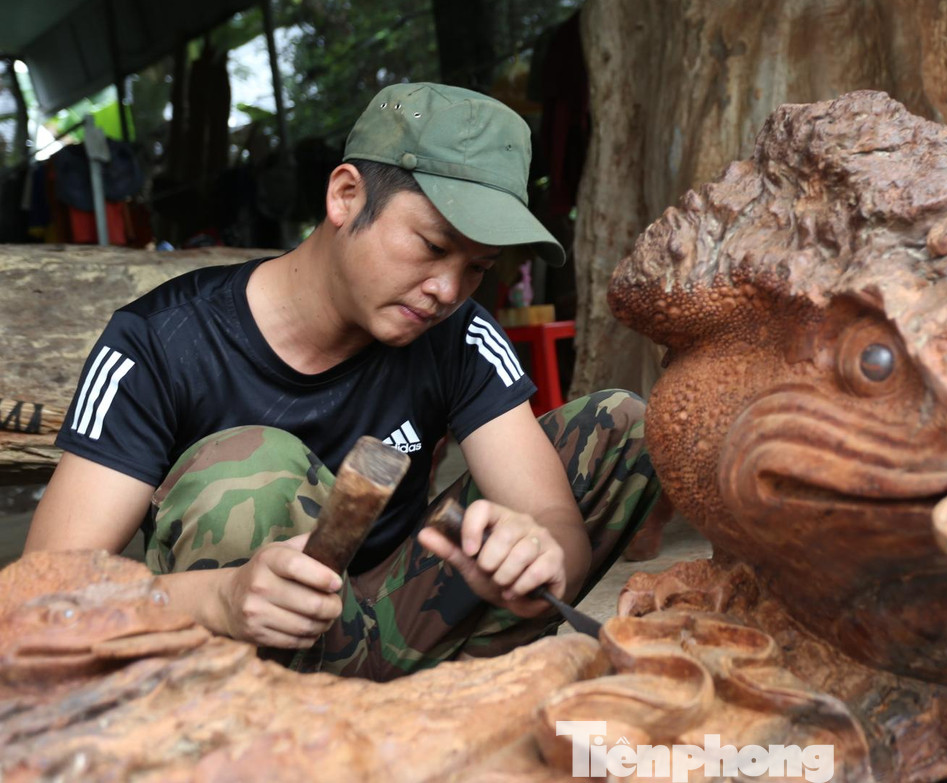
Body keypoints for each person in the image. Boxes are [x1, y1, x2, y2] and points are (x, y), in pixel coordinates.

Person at [24, 83, 660, 680]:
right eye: (433, 246)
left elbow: (553, 518)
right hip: (249, 652)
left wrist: (539, 559)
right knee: (249, 461)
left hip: (399, 622)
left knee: (620, 426)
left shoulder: (459, 333)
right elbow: (44, 594)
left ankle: (452, 701)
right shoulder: (158, 343)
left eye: (478, 268)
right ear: (346, 196)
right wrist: (218, 598)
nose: (447, 290)